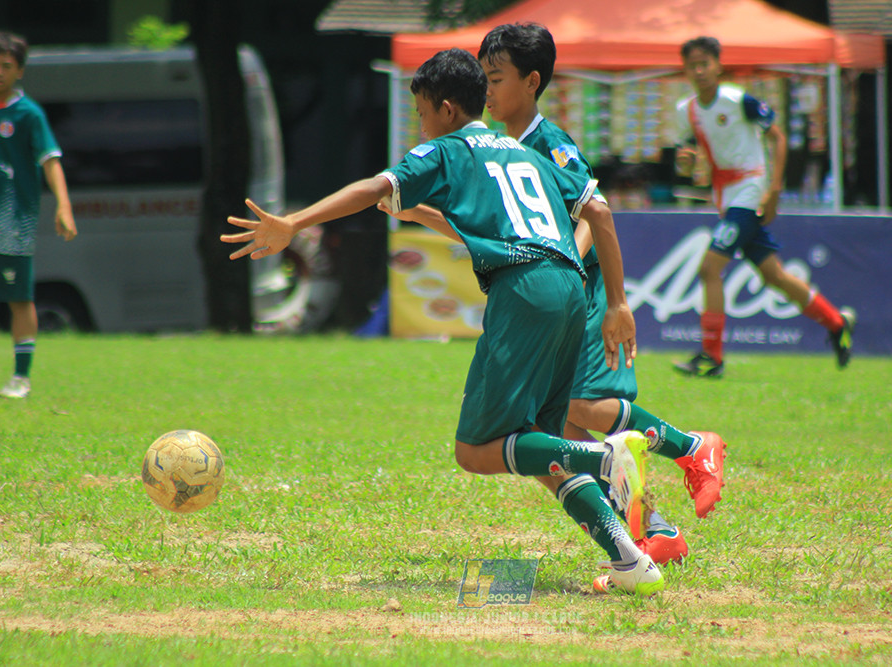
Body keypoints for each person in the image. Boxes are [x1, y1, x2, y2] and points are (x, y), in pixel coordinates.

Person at [223, 48, 663, 596]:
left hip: (523, 292)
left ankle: (603, 455)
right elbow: (592, 211)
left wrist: (294, 220)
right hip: (573, 287)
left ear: (448, 110)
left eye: (422, 114)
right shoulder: (526, 150)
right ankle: (629, 560)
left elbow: (373, 188)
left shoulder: (448, 149)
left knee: (476, 451)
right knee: (540, 447)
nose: (420, 127)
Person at [476, 23, 728, 590]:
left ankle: (692, 448)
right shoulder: (501, 149)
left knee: (587, 407)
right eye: (482, 79)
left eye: (495, 78)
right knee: (565, 425)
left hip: (578, 294)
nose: (486, 90)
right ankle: (653, 531)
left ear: (532, 81)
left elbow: (594, 214)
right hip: (549, 299)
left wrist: (608, 297)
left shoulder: (551, 143)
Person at [672, 36, 855, 379]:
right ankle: (836, 322)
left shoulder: (738, 100)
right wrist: (684, 162)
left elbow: (778, 136)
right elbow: (686, 165)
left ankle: (712, 356)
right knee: (775, 276)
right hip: (727, 197)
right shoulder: (688, 111)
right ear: (685, 69)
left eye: (705, 63)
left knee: (709, 269)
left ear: (718, 65)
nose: (699, 71)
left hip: (750, 191)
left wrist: (774, 189)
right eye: (692, 65)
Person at [0, 31, 77, 399]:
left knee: (18, 297)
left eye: (6, 66)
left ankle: (21, 378)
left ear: (20, 71)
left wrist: (63, 204)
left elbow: (50, 161)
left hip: (12, 222)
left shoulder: (28, 115)